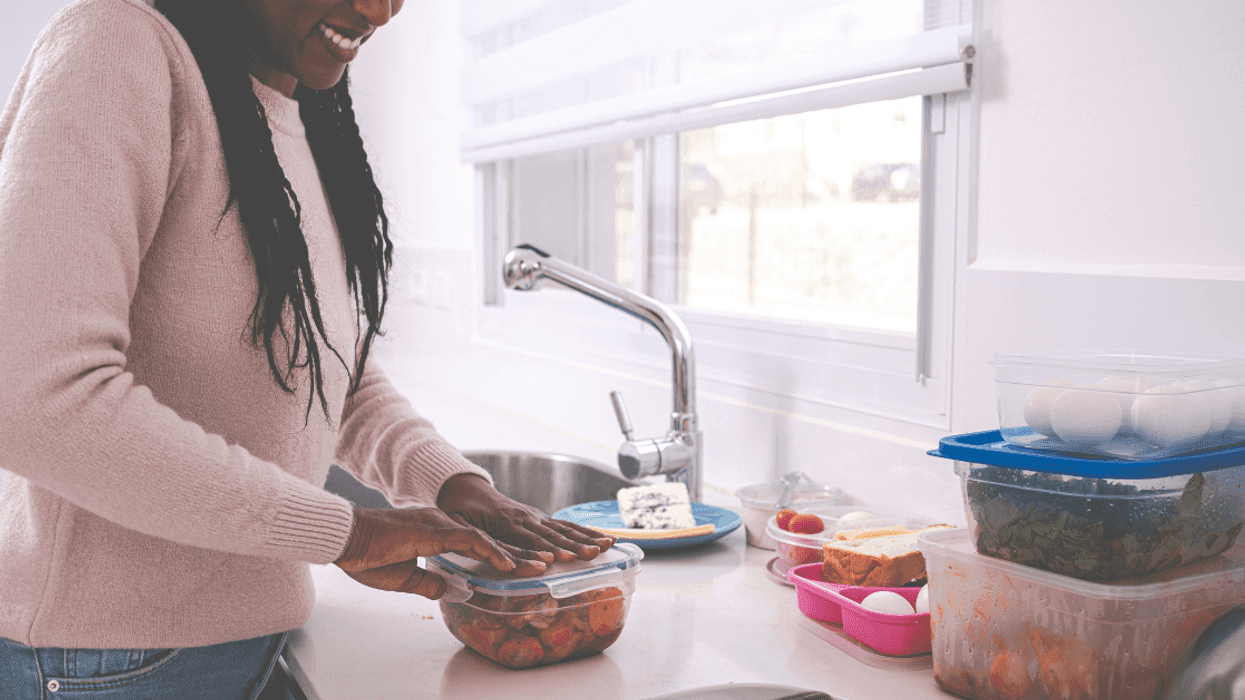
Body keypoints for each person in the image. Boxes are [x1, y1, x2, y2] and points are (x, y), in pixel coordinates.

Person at [0, 0, 614, 697]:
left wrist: (453, 483)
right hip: (108, 663)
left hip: (248, 638)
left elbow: (321, 368)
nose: (379, 9)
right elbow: (34, 397)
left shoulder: (288, 103)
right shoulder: (117, 46)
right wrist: (346, 532)